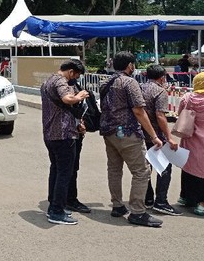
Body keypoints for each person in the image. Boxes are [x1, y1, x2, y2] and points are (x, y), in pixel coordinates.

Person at [100, 51, 164, 228]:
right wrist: (154, 136)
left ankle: (118, 205)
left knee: (114, 169)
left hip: (108, 131)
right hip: (127, 132)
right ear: (130, 65)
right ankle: (138, 211)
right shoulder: (130, 82)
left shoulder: (105, 82)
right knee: (141, 171)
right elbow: (138, 111)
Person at [41, 59, 89, 225]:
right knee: (64, 173)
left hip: (50, 133)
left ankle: (53, 205)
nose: (75, 78)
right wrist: (79, 96)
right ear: (70, 72)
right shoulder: (61, 81)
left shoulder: (47, 81)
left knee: (56, 170)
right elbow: (67, 98)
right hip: (63, 133)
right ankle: (56, 211)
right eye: (76, 75)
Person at [140, 65, 181, 215]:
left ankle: (148, 197)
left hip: (141, 133)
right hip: (157, 135)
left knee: (146, 167)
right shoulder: (160, 91)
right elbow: (160, 116)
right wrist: (169, 137)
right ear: (162, 77)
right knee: (164, 168)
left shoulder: (140, 88)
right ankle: (161, 201)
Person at [177, 72, 204, 215]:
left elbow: (180, 114)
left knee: (189, 167)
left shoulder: (187, 98)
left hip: (190, 138)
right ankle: (202, 204)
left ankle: (186, 197)